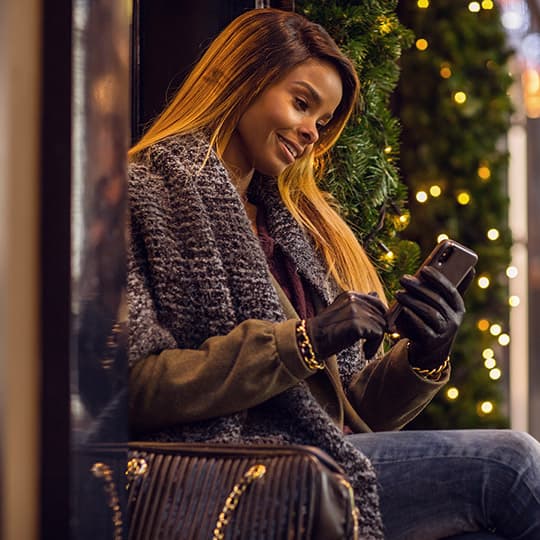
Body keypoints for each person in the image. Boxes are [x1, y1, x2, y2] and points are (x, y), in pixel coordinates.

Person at [127, 8, 540, 539]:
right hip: (241, 472)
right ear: (243, 78)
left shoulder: (294, 230)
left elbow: (347, 408)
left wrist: (424, 356)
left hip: (325, 458)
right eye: (301, 104)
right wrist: (303, 339)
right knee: (511, 464)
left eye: (321, 123)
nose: (309, 134)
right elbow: (133, 386)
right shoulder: (143, 197)